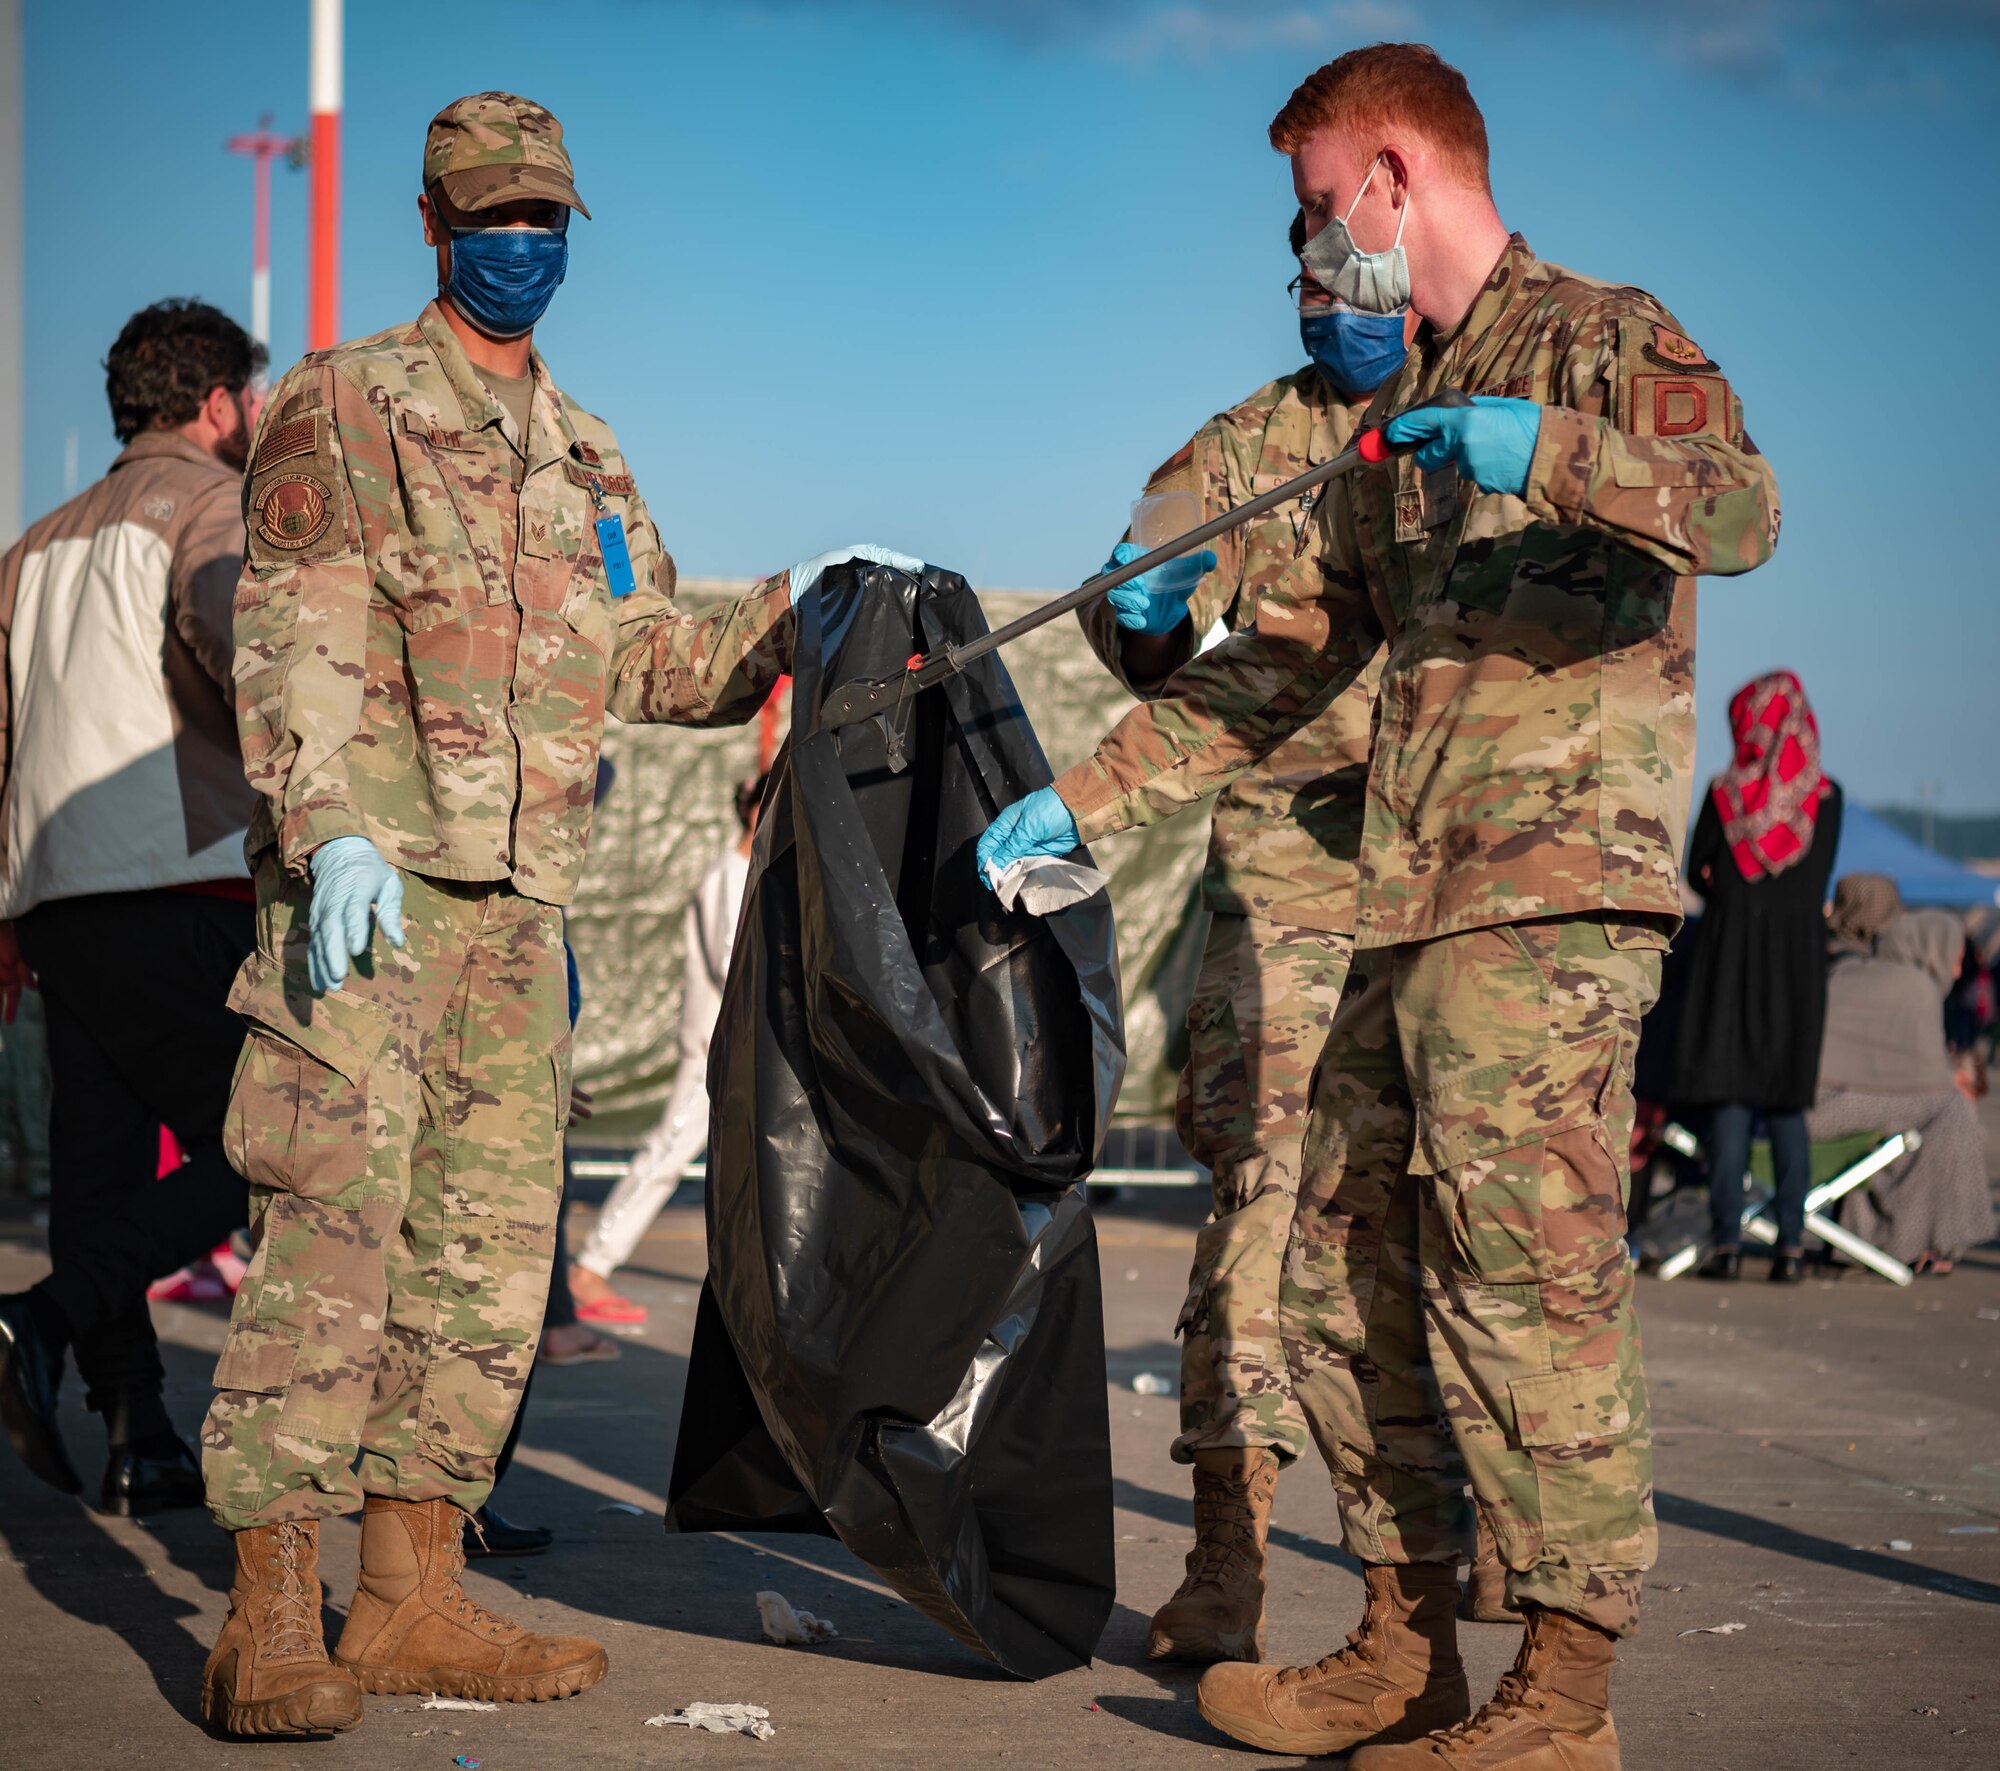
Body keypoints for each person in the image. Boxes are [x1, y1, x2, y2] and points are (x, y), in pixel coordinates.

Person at [978, 43, 1778, 1768]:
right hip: (1399, 903)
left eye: (1317, 205)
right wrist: (1087, 793)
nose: (1309, 242)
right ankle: (1403, 1643)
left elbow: (1741, 507)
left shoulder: (1601, 338)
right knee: (1336, 1262)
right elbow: (1285, 669)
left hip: (1548, 899)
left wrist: (1545, 447)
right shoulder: (1398, 415)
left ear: (1397, 180)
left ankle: (1560, 1694)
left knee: (1526, 1277)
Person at [196, 90, 914, 1740]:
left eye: (544, 219)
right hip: (368, 909)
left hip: (524, 924)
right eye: (490, 215)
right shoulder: (347, 402)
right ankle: (266, 1614)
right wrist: (326, 834)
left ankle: (409, 1595)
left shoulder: (586, 450)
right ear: (436, 225)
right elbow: (290, 637)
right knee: (328, 1248)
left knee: (478, 1270)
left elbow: (645, 652)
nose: (519, 242)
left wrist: (803, 612)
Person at [1073, 221, 1507, 1658]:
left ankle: (1482, 1543)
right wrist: (1137, 612)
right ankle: (1229, 1554)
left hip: (1460, 850)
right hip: (1285, 856)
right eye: (1315, 288)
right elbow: (1142, 623)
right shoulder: (1251, 438)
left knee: (1468, 1205)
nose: (1341, 310)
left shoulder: (1484, 403)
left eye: (1363, 285)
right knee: (1260, 1200)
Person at [0, 300, 265, 1517]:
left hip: (55, 891)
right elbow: (243, 652)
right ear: (218, 404)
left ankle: (137, 1431)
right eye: (250, 401)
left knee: (100, 1169)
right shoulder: (212, 505)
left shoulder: (33, 543)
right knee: (276, 1147)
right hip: (180, 875)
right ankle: (36, 1322)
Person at [570, 770, 764, 1326]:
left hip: (735, 1050)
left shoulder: (748, 873)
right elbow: (731, 964)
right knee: (667, 1153)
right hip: (712, 1052)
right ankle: (591, 1266)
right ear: (753, 812)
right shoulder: (729, 875)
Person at [1671, 671, 1844, 1284]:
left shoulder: (1723, 795)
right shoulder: (1827, 798)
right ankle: (1792, 1249)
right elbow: (1817, 879)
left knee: (1731, 1105)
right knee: (1787, 1104)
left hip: (1731, 959)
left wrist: (1729, 883)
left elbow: (1696, 874)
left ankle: (1726, 1246)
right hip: (1797, 968)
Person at [1813, 906, 1994, 1274]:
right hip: (1837, 1111)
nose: (1957, 972)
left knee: (1935, 1116)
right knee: (1952, 1115)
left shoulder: (1845, 971)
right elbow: (1926, 1083)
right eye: (1954, 959)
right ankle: (1928, 1239)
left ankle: (1871, 1239)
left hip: (1810, 1111)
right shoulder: (1914, 989)